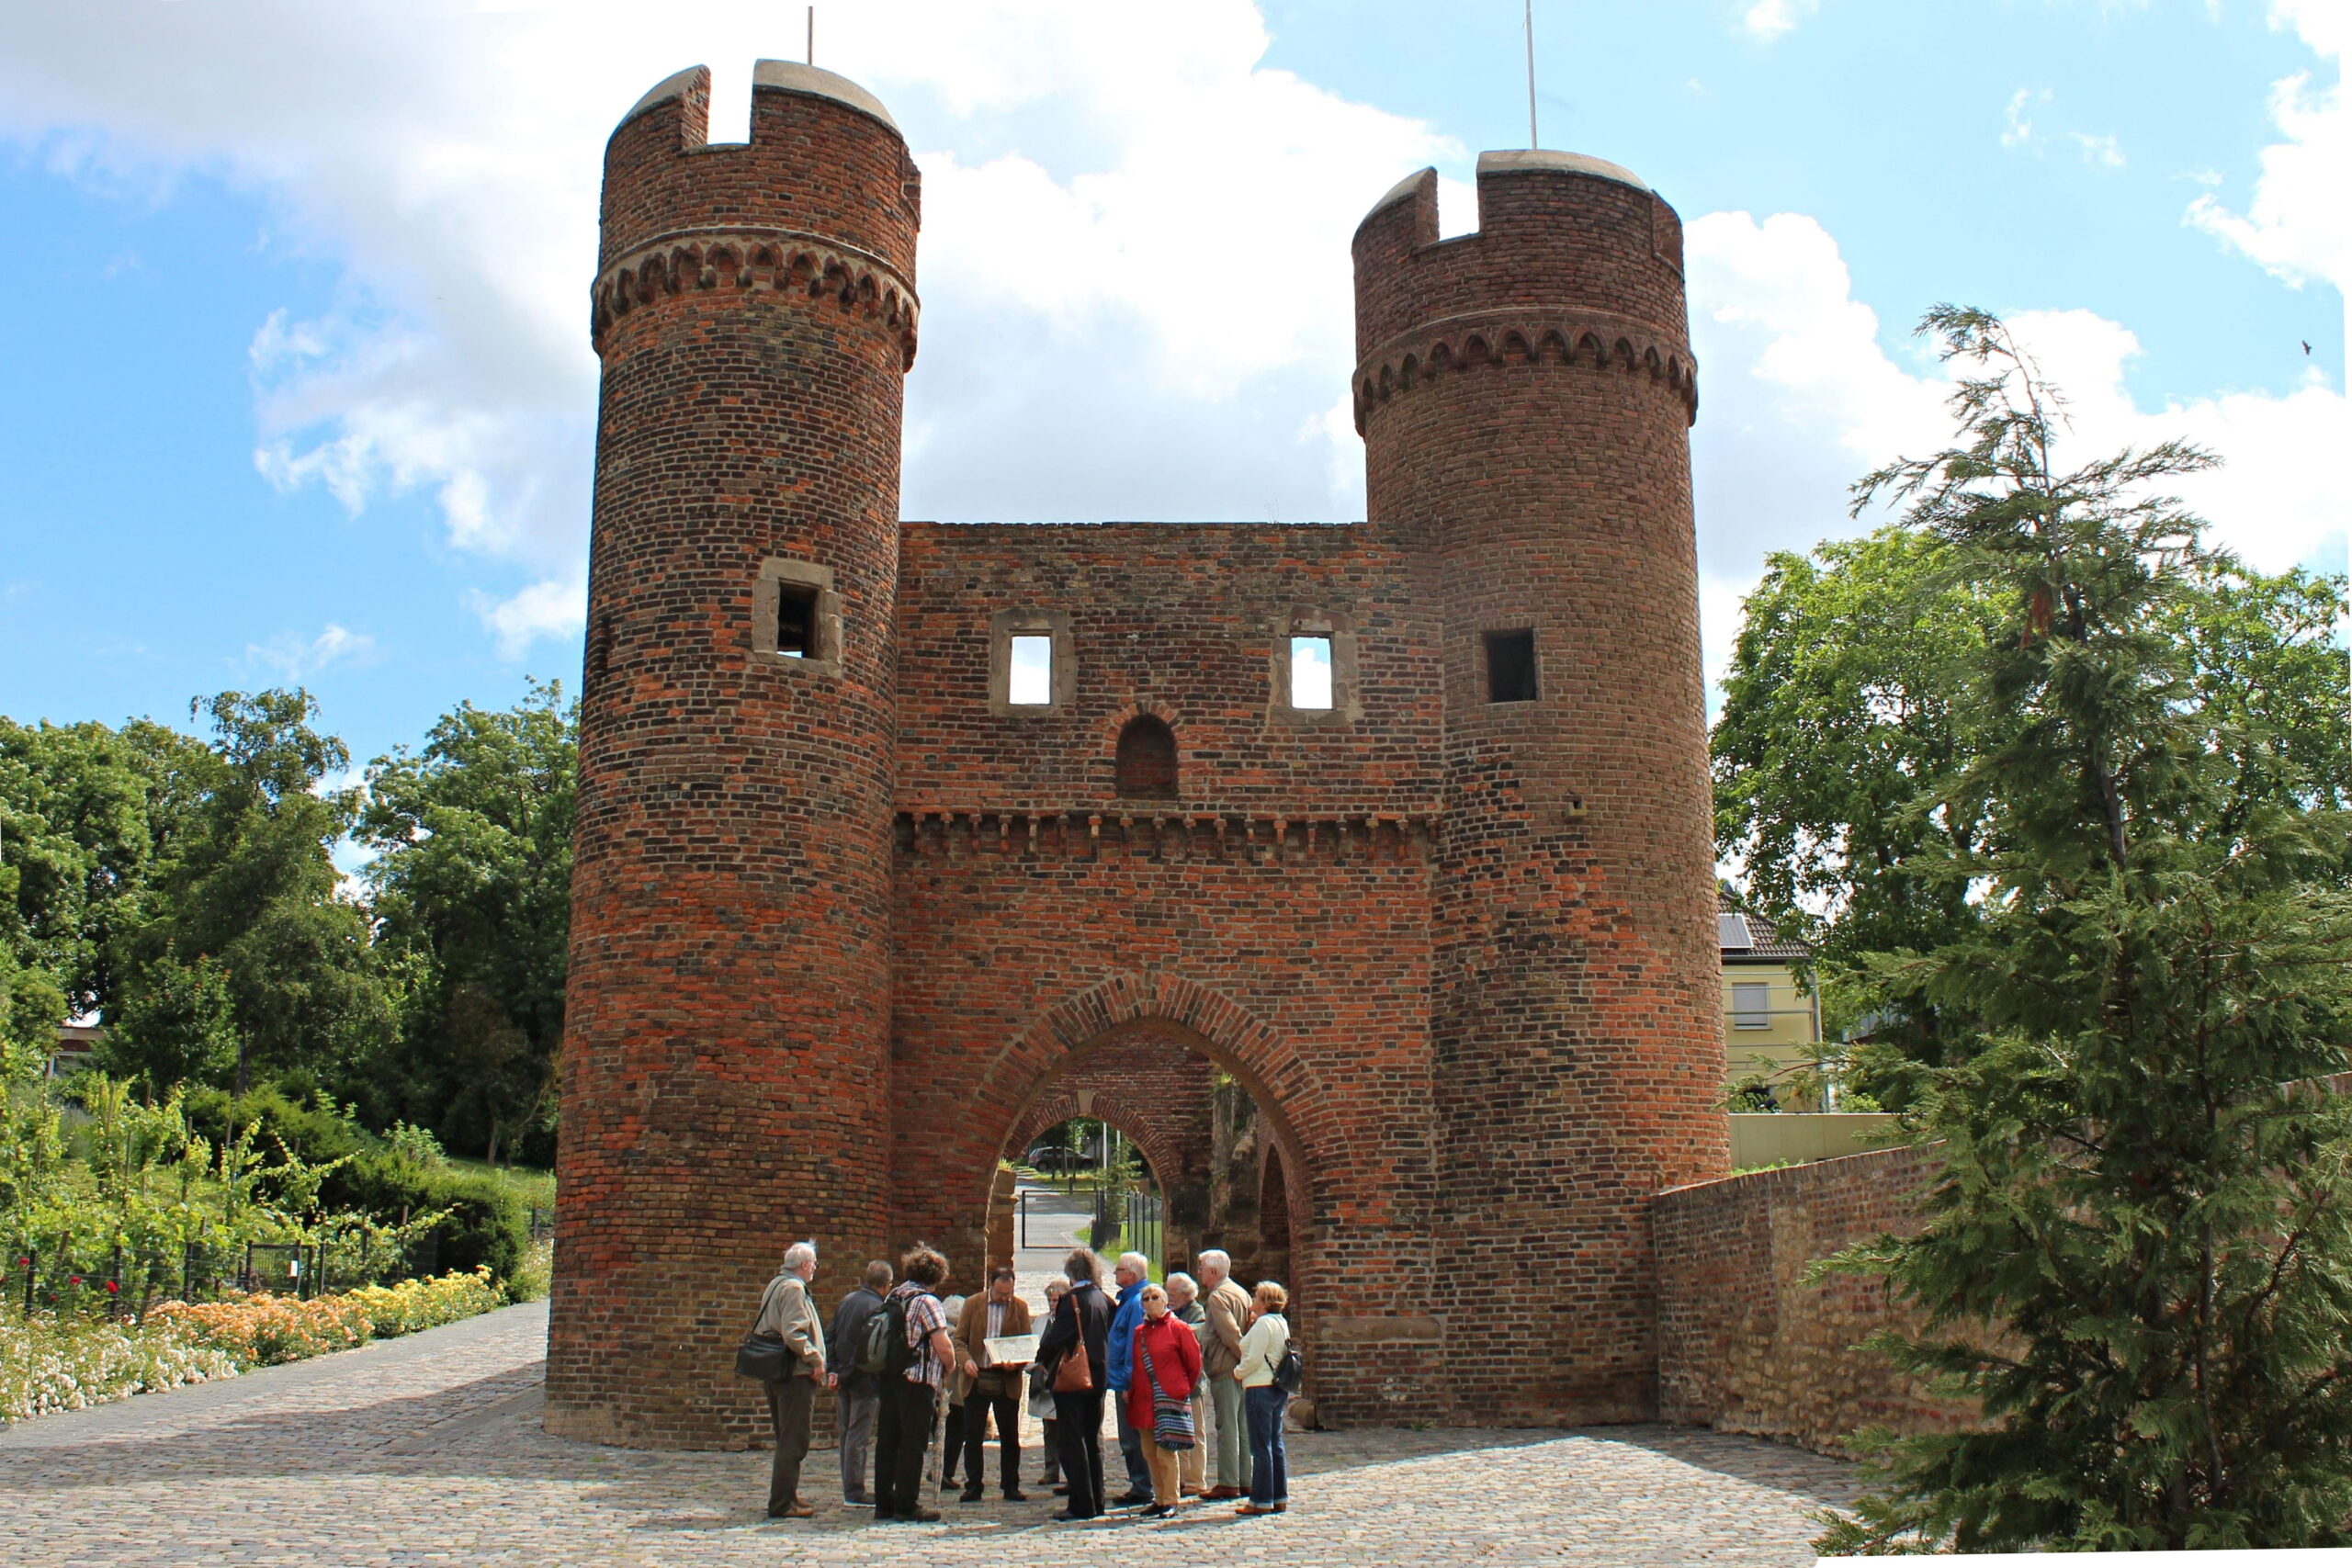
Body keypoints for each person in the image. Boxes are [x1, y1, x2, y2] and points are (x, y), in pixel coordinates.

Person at [873, 1245, 956, 1524]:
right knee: (913, 1443)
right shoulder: (927, 1301)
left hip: (890, 1376)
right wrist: (951, 1366)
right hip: (918, 1380)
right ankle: (907, 1504)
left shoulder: (895, 1295)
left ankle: (884, 1502)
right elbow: (942, 1344)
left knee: (888, 1441)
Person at [1034, 1247, 1113, 1520]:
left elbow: (1057, 1338)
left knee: (1072, 1441)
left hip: (1075, 1378)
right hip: (1099, 1375)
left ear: (1071, 1273)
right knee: (1092, 1440)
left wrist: (1041, 1358)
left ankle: (1081, 1503)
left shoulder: (1072, 1301)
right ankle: (1097, 1499)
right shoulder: (1102, 1298)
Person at [751, 1240, 827, 1519]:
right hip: (795, 1374)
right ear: (805, 1265)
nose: (815, 1269)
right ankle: (782, 1502)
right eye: (814, 1264)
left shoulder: (776, 1284)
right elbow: (794, 1333)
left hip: (778, 1372)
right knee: (794, 1440)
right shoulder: (794, 1288)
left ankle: (788, 1495)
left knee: (787, 1437)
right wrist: (815, 1359)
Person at [953, 1264, 1033, 1501]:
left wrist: (1015, 1363)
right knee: (973, 1435)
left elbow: (1026, 1344)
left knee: (1010, 1436)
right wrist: (966, 1361)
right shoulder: (973, 1304)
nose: (1004, 1298)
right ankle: (973, 1485)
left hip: (1006, 1379)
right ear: (991, 1286)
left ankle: (1010, 1484)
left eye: (1009, 1293)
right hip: (977, 1377)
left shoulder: (1019, 1307)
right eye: (1000, 1293)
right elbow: (959, 1340)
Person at [1126, 1280, 1203, 1517]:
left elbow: (1194, 1364)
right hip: (1144, 1399)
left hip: (1168, 1398)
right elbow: (1136, 1365)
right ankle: (1158, 1498)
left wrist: (1180, 1389)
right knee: (1149, 1452)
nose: (1150, 1302)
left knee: (1166, 1452)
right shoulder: (1140, 1332)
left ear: (1165, 1301)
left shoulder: (1179, 1328)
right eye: (1146, 1298)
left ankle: (1170, 1499)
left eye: (1155, 1297)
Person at [827, 1258, 892, 1506]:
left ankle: (850, 1488)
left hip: (844, 1377)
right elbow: (868, 1351)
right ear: (886, 1284)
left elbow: (831, 1337)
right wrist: (843, 1373)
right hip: (864, 1380)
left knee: (847, 1434)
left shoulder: (847, 1300)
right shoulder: (877, 1308)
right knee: (858, 1437)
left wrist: (834, 1371)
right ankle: (854, 1491)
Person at [1196, 1248, 1253, 1501]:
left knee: (1227, 1427)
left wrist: (1244, 1361)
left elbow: (1231, 1335)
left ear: (1212, 1271)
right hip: (1240, 1369)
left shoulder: (1218, 1297)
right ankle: (1246, 1479)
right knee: (1242, 1426)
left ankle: (1229, 1482)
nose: (1199, 1274)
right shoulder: (1240, 1292)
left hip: (1227, 1368)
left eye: (1201, 1269)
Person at [1233, 1280, 1292, 1517]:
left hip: (1259, 1386)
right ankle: (1279, 1496)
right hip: (1277, 1386)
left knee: (1260, 1445)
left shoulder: (1263, 1324)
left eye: (1256, 1297)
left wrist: (1237, 1372)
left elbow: (1254, 1359)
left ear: (1265, 1302)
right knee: (1274, 1443)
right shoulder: (1280, 1322)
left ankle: (1261, 1499)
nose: (1253, 1300)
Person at [1102, 1249, 1156, 1506]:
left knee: (1133, 1438)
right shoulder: (1129, 1299)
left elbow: (1136, 1345)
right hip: (1124, 1380)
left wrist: (1128, 1382)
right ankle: (1141, 1484)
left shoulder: (1136, 1303)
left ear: (1131, 1275)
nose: (1115, 1272)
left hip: (1130, 1383)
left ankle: (1143, 1486)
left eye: (1119, 1269)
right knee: (1132, 1437)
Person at [1164, 1270, 1211, 1498]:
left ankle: (1196, 1480)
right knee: (1180, 1431)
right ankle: (1182, 1478)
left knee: (1196, 1432)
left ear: (1185, 1295)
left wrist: (1171, 1328)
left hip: (1193, 1383)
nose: (1168, 1298)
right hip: (1174, 1382)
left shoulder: (1197, 1312)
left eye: (1172, 1294)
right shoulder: (1173, 1313)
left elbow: (1195, 1337)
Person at [1029, 1277, 1069, 1491]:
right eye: (1050, 1300)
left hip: (1065, 1378)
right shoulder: (1041, 1321)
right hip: (1045, 1381)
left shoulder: (1070, 1321)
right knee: (1049, 1428)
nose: (1053, 1304)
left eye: (1056, 1300)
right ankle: (1051, 1469)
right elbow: (1031, 1346)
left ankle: (1071, 1471)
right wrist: (1036, 1365)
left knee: (1067, 1428)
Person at [933, 1287, 968, 1491]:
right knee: (955, 1432)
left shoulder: (939, 1332)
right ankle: (945, 1471)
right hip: (955, 1392)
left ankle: (938, 1469)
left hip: (939, 1390)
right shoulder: (955, 1336)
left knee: (940, 1430)